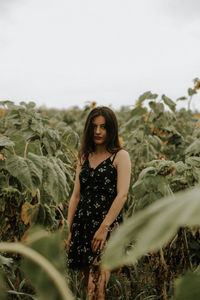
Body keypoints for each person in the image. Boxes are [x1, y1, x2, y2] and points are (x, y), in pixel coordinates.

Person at [66, 106, 131, 300]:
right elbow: (76, 196)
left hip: (106, 226)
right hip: (83, 224)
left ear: (111, 129)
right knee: (87, 287)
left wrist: (104, 228)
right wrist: (68, 229)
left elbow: (122, 195)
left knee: (99, 287)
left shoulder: (120, 156)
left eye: (103, 126)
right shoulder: (85, 156)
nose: (98, 131)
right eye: (94, 127)